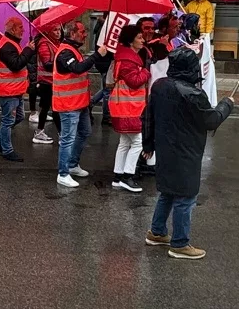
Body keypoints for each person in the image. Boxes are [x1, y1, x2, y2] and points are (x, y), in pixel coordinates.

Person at [142, 46, 235, 260]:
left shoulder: (159, 86)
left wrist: (148, 144)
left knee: (168, 191)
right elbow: (211, 120)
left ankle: (157, 232)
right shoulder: (193, 93)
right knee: (185, 195)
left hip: (165, 148)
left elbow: (147, 115)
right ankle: (180, 243)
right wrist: (226, 104)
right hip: (186, 151)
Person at [48, 20, 104, 189]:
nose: (85, 34)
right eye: (82, 31)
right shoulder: (65, 52)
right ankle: (63, 173)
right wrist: (96, 55)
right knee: (67, 139)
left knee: (85, 132)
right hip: (68, 105)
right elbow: (78, 69)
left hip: (79, 104)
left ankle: (72, 164)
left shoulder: (72, 50)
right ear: (72, 33)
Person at [106, 24, 155, 193]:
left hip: (123, 105)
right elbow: (134, 81)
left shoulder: (124, 57)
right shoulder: (128, 60)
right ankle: (127, 176)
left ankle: (118, 176)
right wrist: (146, 72)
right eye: (140, 37)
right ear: (130, 40)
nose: (143, 40)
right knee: (138, 142)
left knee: (125, 142)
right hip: (129, 107)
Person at [0, 16, 30, 162]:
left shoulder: (12, 44)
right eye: (20, 27)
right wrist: (28, 50)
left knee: (19, 117)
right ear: (13, 29)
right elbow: (16, 65)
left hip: (14, 90)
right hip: (8, 92)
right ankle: (7, 150)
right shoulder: (7, 46)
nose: (23, 30)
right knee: (8, 121)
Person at [31, 23, 59, 143]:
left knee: (48, 108)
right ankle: (61, 135)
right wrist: (61, 62)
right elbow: (47, 63)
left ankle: (40, 131)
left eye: (59, 30)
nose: (58, 32)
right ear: (48, 31)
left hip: (51, 81)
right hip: (46, 82)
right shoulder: (44, 43)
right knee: (53, 109)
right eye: (55, 30)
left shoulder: (54, 43)